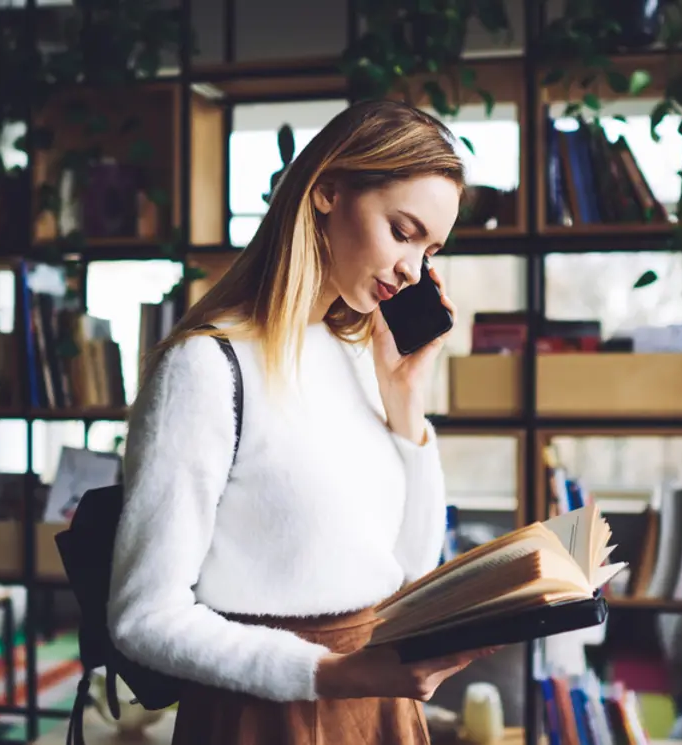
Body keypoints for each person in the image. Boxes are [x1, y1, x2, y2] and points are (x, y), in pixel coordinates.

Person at [107, 99, 495, 744]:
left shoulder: (356, 351)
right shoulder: (206, 368)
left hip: (377, 703)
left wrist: (406, 403)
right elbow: (144, 617)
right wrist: (332, 674)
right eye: (403, 231)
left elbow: (408, 574)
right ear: (327, 191)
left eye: (429, 249)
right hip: (266, 713)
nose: (413, 269)